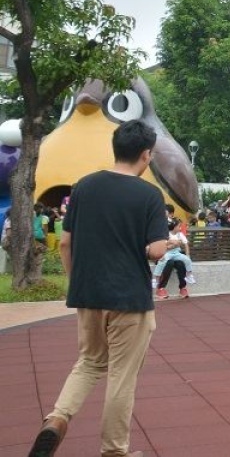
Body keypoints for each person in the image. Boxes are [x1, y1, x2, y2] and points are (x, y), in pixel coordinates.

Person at [28, 119, 170, 457]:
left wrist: (76, 282)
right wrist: (167, 242)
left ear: (116, 148)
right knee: (121, 377)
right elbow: (156, 250)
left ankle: (56, 419)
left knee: (89, 362)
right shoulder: (149, 195)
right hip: (129, 299)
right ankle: (114, 451)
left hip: (89, 294)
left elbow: (65, 243)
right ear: (146, 155)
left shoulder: (84, 187)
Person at [152, 218, 195, 299]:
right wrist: (172, 245)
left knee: (181, 263)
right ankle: (160, 287)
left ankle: (183, 287)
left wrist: (186, 254)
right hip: (163, 254)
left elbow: (184, 244)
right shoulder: (162, 232)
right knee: (169, 263)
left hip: (176, 254)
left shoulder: (178, 233)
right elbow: (160, 246)